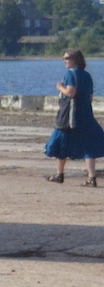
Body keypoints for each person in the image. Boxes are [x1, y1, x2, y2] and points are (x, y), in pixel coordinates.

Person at [45, 48, 102, 187]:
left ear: (75, 60)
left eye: (67, 58)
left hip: (70, 115)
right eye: (63, 58)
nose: (64, 61)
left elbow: (70, 92)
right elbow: (90, 97)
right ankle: (91, 177)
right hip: (86, 114)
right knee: (88, 146)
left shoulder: (70, 73)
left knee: (61, 142)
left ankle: (59, 174)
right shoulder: (87, 75)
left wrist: (60, 87)